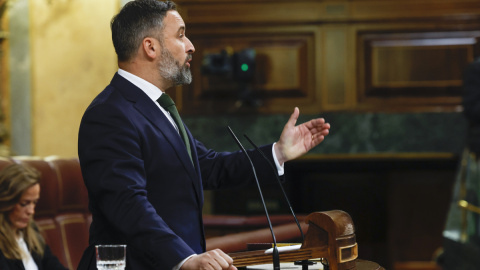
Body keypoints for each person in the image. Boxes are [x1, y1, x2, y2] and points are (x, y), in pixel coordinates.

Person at [76, 1, 331, 269]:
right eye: (181, 35)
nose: (191, 45)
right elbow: (126, 204)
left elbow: (208, 166)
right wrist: (184, 257)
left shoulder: (157, 106)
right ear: (150, 47)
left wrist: (278, 153)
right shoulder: (109, 114)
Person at [0, 164, 68, 270]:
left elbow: (54, 266)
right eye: (24, 203)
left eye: (34, 202)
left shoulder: (32, 231)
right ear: (6, 201)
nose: (31, 211)